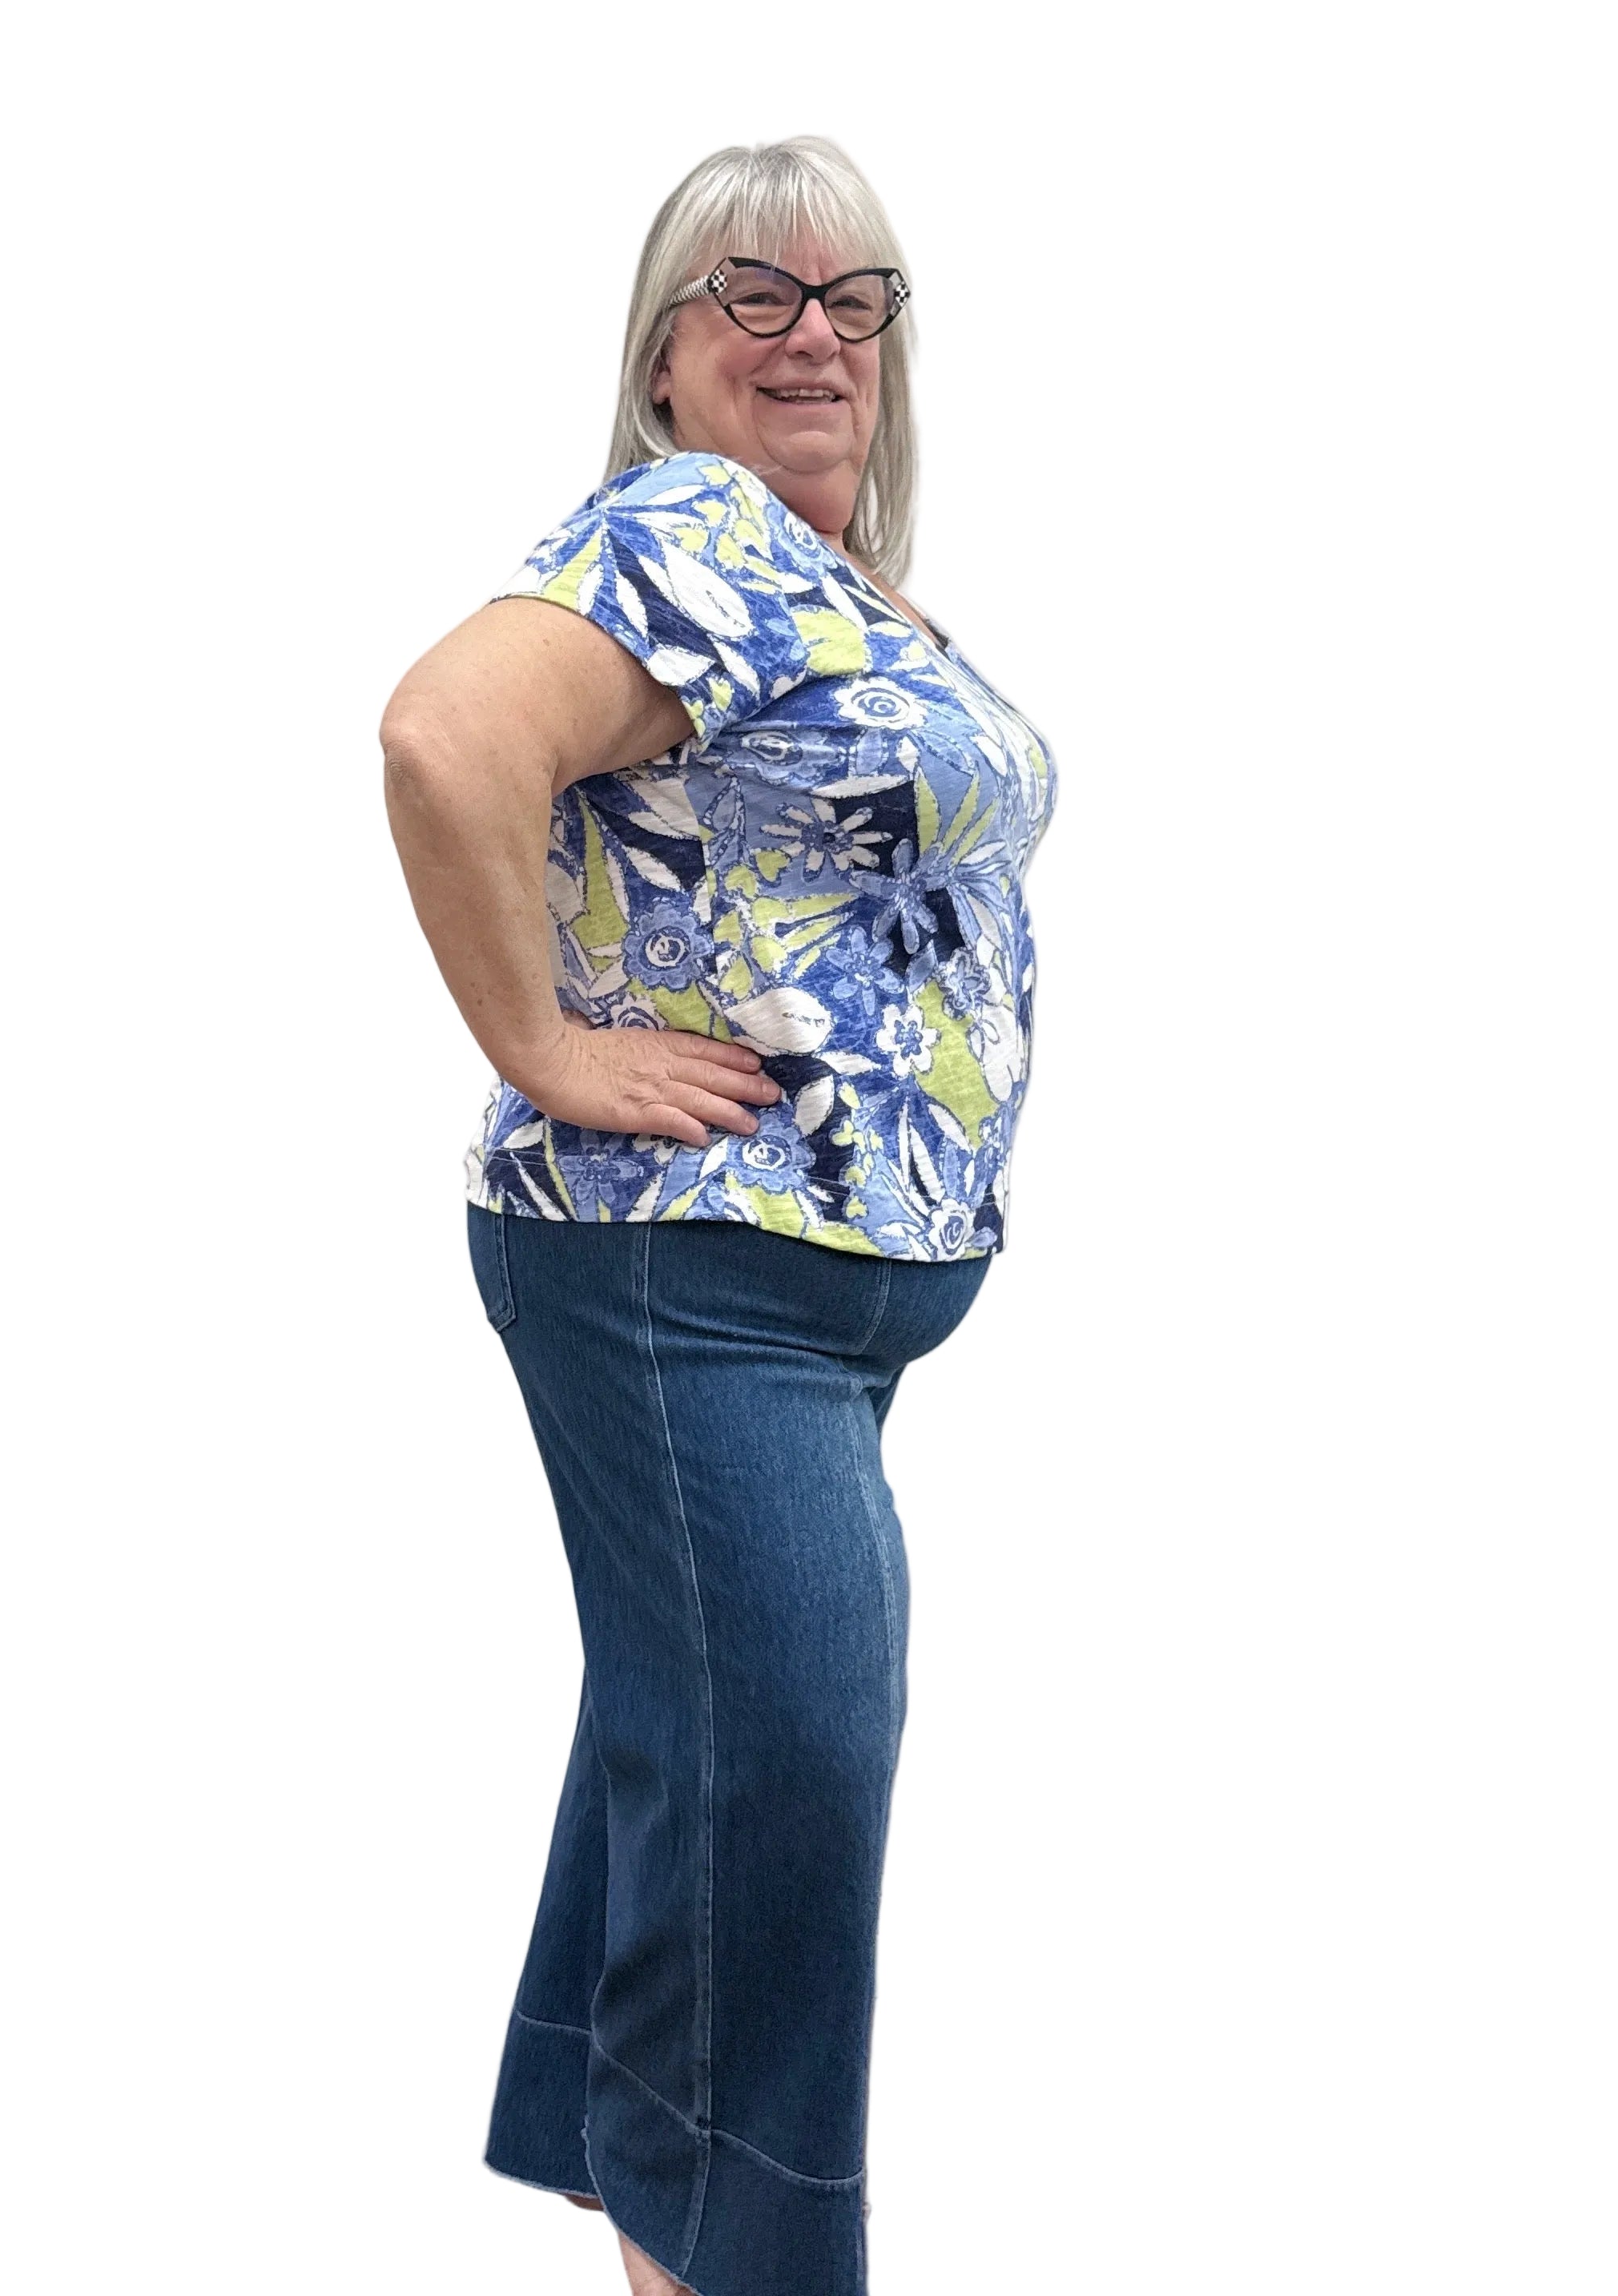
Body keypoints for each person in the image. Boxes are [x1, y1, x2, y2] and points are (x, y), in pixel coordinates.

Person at [380, 135, 1057, 2296]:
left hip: (802, 1297)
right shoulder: (692, 535)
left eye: (855, 298)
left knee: (711, 1724)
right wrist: (554, 1049)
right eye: (750, 292)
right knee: (789, 1776)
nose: (810, 331)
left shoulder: (816, 575)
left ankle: (615, 2134)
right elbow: (445, 740)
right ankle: (721, 2252)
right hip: (695, 1280)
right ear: (663, 359)